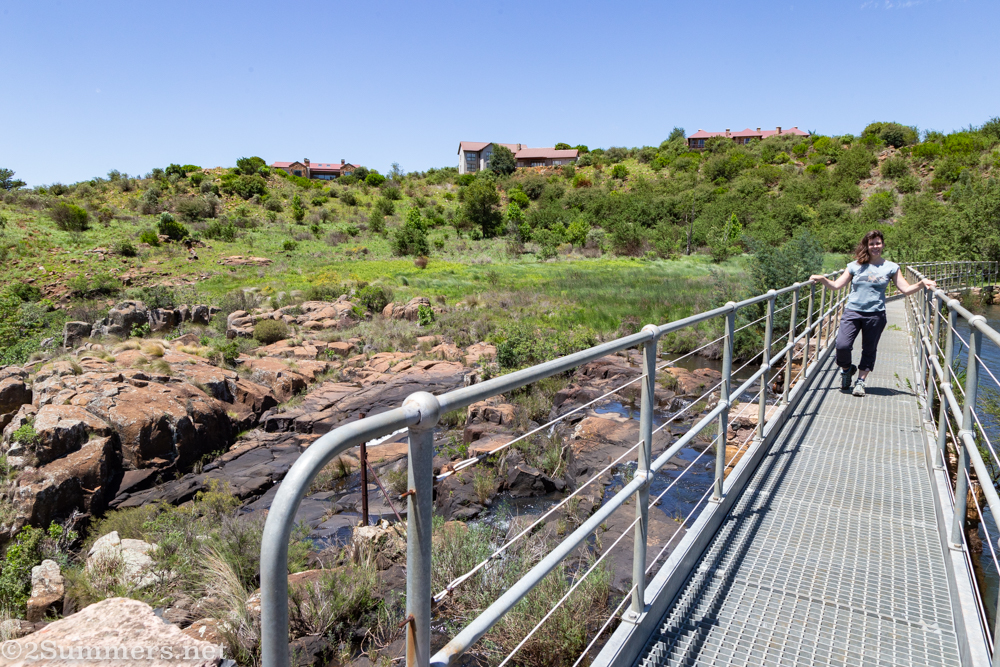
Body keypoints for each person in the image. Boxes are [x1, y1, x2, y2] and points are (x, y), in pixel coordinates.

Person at [809, 230, 936, 397]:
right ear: (867, 246)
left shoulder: (891, 267)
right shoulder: (854, 266)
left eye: (878, 243)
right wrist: (822, 279)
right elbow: (836, 286)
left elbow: (905, 289)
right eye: (872, 244)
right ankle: (847, 369)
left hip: (875, 314)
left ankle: (860, 382)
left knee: (869, 349)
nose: (875, 246)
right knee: (842, 345)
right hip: (853, 312)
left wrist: (922, 283)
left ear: (883, 245)